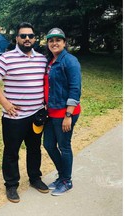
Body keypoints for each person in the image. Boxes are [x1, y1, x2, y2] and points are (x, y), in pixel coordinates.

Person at [0, 22, 49, 203]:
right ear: (17, 39)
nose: (27, 39)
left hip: (37, 116)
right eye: (23, 36)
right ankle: (11, 185)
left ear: (35, 39)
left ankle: (35, 179)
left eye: (30, 36)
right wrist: (5, 103)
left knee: (35, 149)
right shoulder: (7, 58)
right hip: (14, 118)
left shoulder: (42, 59)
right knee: (11, 152)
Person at [43, 27, 82, 196]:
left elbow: (75, 88)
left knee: (64, 146)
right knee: (48, 144)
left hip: (65, 113)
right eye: (51, 40)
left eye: (58, 40)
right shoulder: (50, 61)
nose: (54, 43)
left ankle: (67, 180)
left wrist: (68, 115)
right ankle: (62, 176)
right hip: (51, 112)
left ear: (64, 43)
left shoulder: (70, 61)